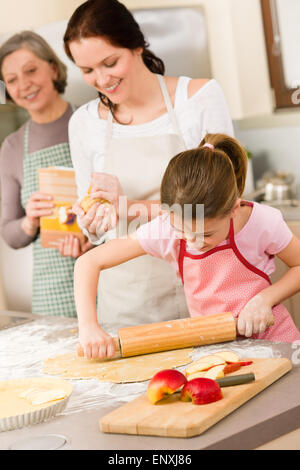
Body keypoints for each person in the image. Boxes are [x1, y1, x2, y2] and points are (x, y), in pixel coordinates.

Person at [63, 0, 236, 330]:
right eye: (87, 71)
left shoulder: (197, 99)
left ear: (137, 45)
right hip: (126, 303)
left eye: (110, 62)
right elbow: (95, 231)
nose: (101, 79)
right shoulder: (84, 123)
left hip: (204, 292)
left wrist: (127, 208)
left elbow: (224, 206)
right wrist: (93, 219)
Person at [74, 133, 300, 359]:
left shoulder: (261, 221)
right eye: (181, 231)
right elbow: (88, 262)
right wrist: (88, 326)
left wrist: (265, 299)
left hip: (277, 344)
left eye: (206, 234)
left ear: (233, 209)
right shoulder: (165, 229)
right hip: (216, 350)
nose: (192, 241)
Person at [0, 31, 92, 317]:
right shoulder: (13, 146)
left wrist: (94, 240)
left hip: (107, 278)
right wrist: (29, 221)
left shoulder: (92, 120)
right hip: (52, 295)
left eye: (30, 71)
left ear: (53, 68)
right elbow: (9, 233)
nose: (23, 84)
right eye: (12, 80)